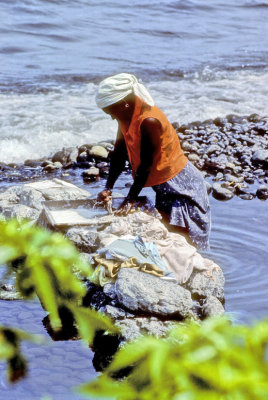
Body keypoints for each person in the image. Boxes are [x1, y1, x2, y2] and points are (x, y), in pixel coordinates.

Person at [96, 73, 211, 250]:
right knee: (166, 234)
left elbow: (146, 166)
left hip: (182, 186)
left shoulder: (149, 121)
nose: (112, 117)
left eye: (111, 112)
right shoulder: (124, 116)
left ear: (124, 103)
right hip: (163, 185)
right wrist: (108, 187)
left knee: (186, 240)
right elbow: (119, 153)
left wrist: (130, 200)